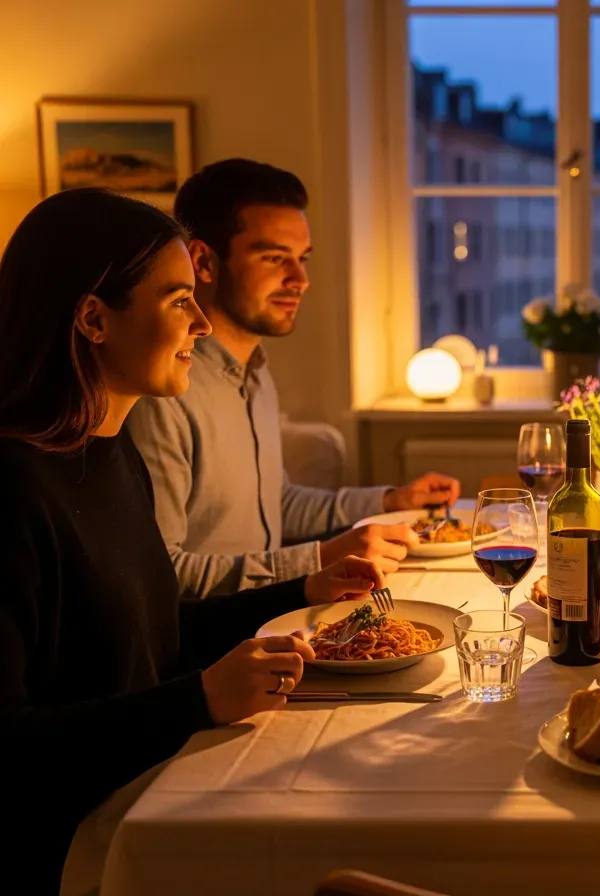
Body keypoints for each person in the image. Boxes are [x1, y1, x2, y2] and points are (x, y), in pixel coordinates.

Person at [0, 189, 384, 894]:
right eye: (180, 300)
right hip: (77, 844)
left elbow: (154, 630)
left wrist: (300, 592)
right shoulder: (15, 492)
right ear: (93, 318)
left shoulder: (112, 456)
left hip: (155, 781)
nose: (203, 324)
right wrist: (199, 700)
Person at [126, 159, 460, 599]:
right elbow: (162, 574)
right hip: (214, 643)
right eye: (273, 257)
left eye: (301, 259)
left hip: (271, 617)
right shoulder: (163, 393)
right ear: (203, 262)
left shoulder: (257, 375)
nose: (300, 280)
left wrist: (390, 502)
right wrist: (319, 558)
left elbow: (275, 504)